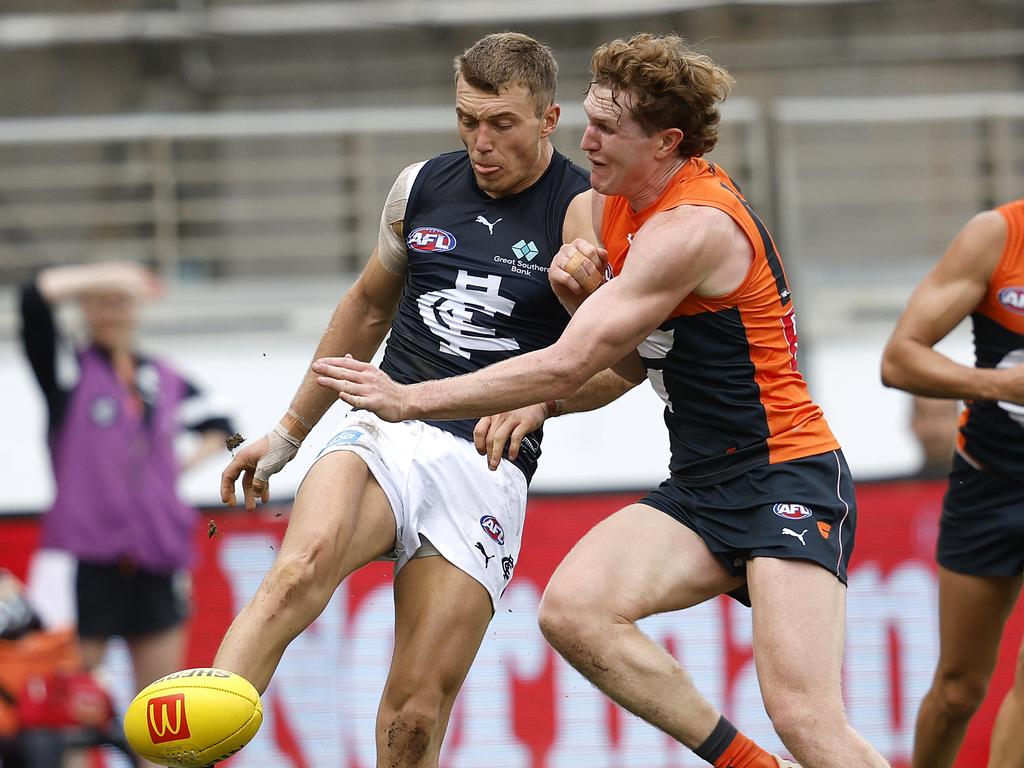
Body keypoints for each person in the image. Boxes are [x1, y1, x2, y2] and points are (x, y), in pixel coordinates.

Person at [315, 33, 894, 768]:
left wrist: (411, 399)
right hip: (704, 480)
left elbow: (571, 358)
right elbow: (623, 369)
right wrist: (542, 403)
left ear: (666, 141)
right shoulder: (608, 207)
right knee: (575, 612)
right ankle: (746, 764)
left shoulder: (692, 226)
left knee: (806, 716)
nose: (582, 139)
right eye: (586, 117)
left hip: (786, 472)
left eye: (606, 127)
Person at [213, 32, 610, 767]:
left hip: (485, 461)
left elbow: (622, 366)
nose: (480, 142)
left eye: (502, 124)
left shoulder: (586, 215)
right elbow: (366, 307)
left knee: (415, 719)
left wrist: (544, 402)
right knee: (300, 568)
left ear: (550, 119)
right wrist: (289, 432)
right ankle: (197, 744)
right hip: (386, 422)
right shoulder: (420, 185)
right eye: (467, 120)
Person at [18, 260, 233, 766]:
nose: (111, 311)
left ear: (136, 310)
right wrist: (110, 276)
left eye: (120, 300)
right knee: (68, 709)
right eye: (100, 300)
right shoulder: (69, 373)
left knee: (162, 715)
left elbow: (230, 429)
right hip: (88, 558)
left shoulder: (162, 376)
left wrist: (176, 469)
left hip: (156, 557)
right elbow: (34, 299)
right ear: (85, 307)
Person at [881, 201, 1024, 768]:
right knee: (958, 689)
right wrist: (1000, 384)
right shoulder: (999, 236)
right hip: (988, 484)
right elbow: (899, 360)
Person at [908, 394, 959, 480]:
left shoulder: (980, 486)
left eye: (943, 413)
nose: (933, 426)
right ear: (912, 423)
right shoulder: (897, 490)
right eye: (923, 414)